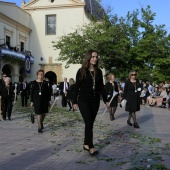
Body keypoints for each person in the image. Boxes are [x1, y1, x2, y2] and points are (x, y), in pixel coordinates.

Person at [73, 50, 109, 156]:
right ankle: (91, 146)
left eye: (96, 57)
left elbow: (101, 87)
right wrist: (74, 101)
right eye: (93, 57)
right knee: (88, 122)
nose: (95, 59)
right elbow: (76, 87)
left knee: (90, 124)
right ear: (88, 57)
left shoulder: (99, 72)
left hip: (95, 101)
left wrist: (106, 100)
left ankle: (85, 144)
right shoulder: (81, 71)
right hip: (84, 101)